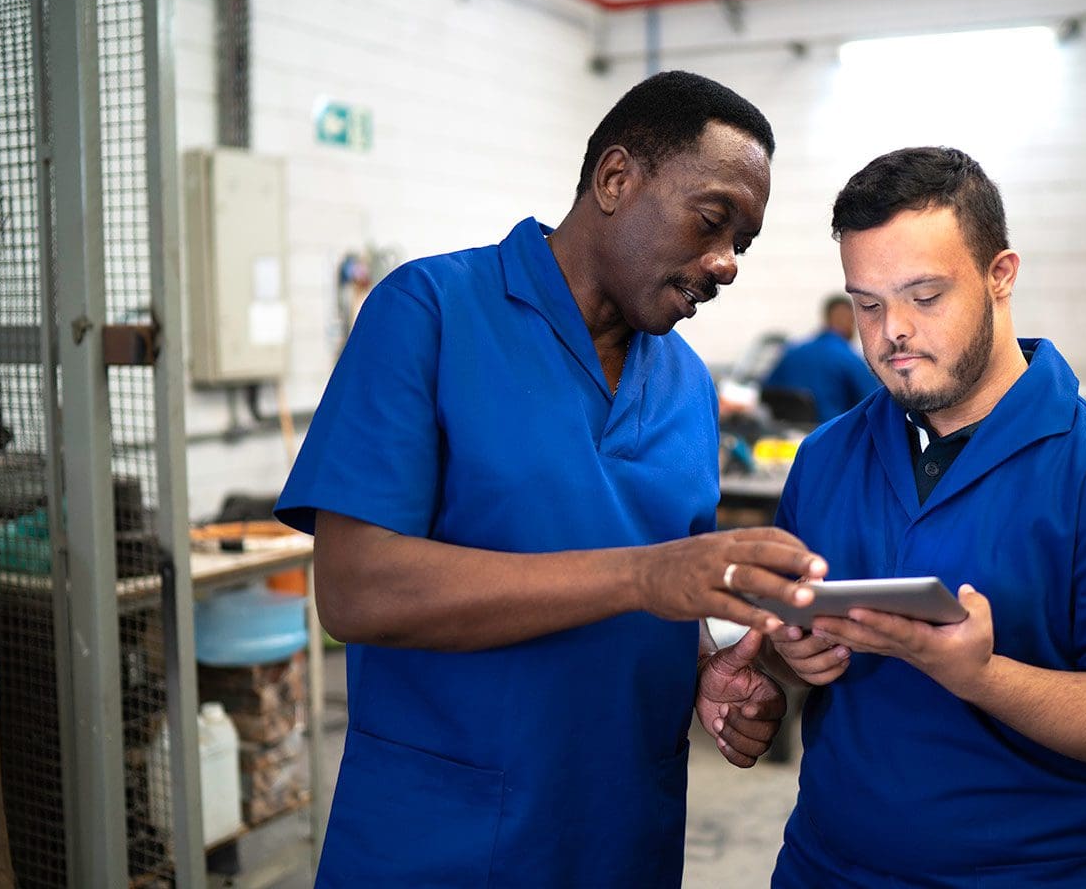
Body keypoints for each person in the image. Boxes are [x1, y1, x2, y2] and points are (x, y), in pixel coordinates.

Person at [274, 71, 828, 888]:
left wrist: (710, 670)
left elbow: (676, 596)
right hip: (443, 839)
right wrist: (643, 576)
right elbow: (357, 591)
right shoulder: (429, 313)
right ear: (615, 180)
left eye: (741, 245)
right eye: (713, 223)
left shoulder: (685, 388)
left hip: (622, 833)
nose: (726, 264)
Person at [764, 146, 1086, 888]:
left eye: (925, 296)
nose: (892, 333)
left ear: (1000, 276)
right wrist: (793, 660)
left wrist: (982, 676)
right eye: (868, 305)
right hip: (826, 865)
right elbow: (792, 644)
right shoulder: (825, 458)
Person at [762, 293, 877, 422]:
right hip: (831, 435)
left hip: (787, 435)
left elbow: (765, 392)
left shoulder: (791, 352)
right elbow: (875, 402)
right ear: (850, 321)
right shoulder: (849, 359)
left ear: (826, 318)